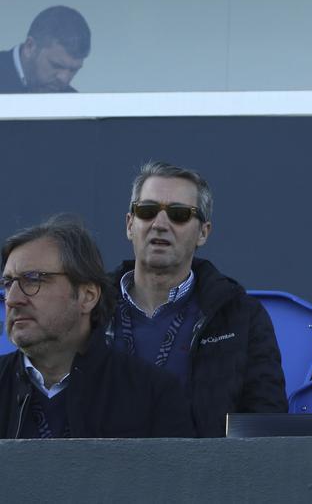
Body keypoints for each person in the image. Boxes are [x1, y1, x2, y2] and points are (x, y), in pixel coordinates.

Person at [111, 161, 286, 437]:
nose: (159, 224)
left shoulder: (242, 316)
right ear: (130, 224)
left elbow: (265, 422)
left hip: (205, 476)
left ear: (203, 233)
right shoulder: (88, 310)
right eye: (147, 211)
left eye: (179, 214)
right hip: (102, 474)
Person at [0, 216, 194, 438]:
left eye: (33, 279)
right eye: (7, 283)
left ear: (87, 296)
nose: (12, 299)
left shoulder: (153, 394)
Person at [0, 6, 91, 93]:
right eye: (56, 65)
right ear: (30, 47)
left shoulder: (75, 102)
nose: (64, 79)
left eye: (73, 70)